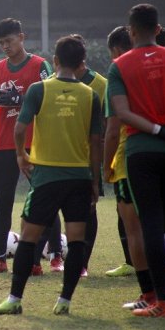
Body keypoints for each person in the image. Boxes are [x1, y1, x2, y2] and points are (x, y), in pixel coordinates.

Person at [0, 35, 102, 315]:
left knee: (28, 237)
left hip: (47, 177)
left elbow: (19, 129)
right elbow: (96, 142)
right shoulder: (91, 96)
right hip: (79, 178)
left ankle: (15, 299)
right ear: (81, 64)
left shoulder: (39, 90)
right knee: (76, 240)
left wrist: (20, 155)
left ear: (55, 61)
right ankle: (64, 301)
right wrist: (95, 181)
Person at [108, 3, 165, 317]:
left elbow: (123, 112)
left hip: (142, 152)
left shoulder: (120, 65)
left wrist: (157, 130)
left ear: (130, 31)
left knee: (152, 225)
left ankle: (163, 303)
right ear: (158, 29)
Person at [0, 18, 63, 274]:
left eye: (9, 41)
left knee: (45, 198)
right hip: (2, 144)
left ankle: (56, 256)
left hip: (36, 144)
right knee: (3, 201)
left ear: (22, 38)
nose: (5, 46)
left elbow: (53, 96)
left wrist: (22, 98)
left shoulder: (39, 66)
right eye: (1, 43)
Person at [103, 25, 155, 309]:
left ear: (117, 50)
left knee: (135, 229)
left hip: (130, 159)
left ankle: (149, 295)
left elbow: (113, 129)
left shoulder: (120, 72)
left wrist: (106, 167)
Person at [71, 34, 107, 277]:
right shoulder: (54, 82)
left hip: (87, 157)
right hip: (59, 157)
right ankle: (47, 259)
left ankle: (83, 263)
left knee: (89, 209)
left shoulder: (100, 84)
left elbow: (104, 126)